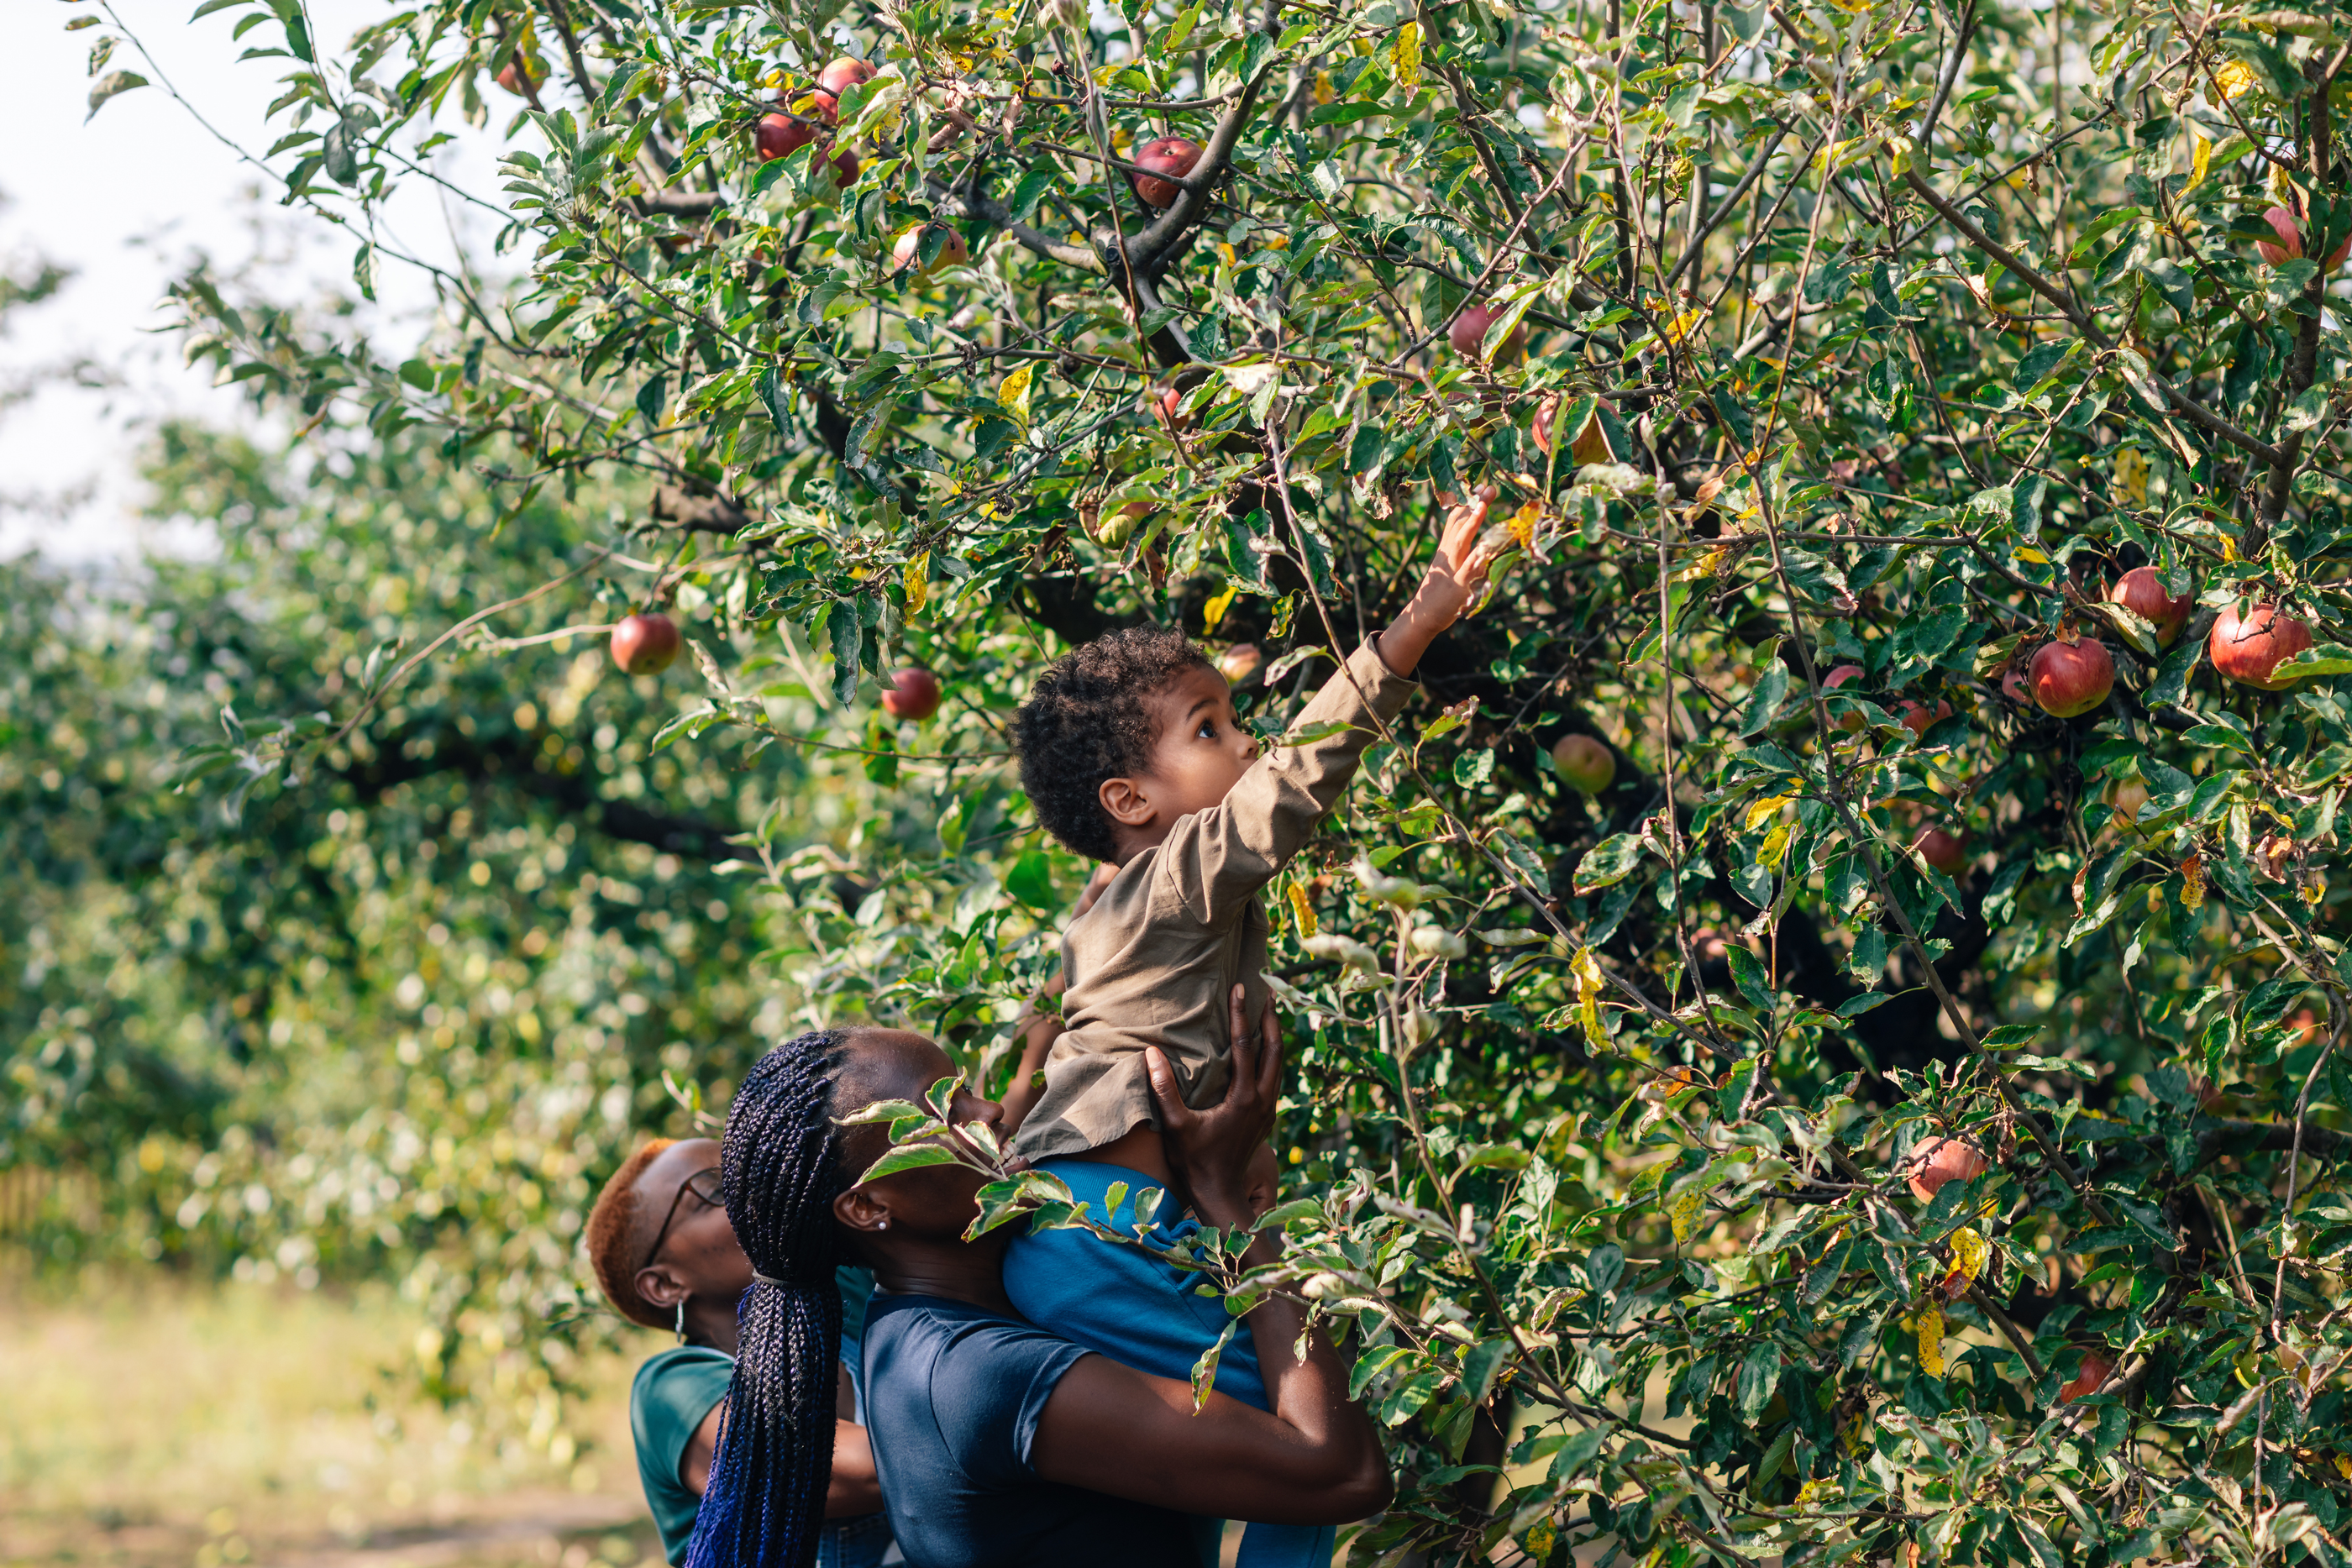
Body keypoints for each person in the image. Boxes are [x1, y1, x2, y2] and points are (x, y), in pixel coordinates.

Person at [999, 488, 1501, 1564]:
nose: (1248, 740)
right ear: (1132, 801)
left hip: (1096, 1231)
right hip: (1113, 1230)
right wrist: (1411, 630)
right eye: (1211, 729)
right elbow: (1290, 788)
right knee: (1355, 1413)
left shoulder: (1102, 908)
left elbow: (1043, 1023)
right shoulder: (1176, 878)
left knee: (1315, 1425)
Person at [680, 988, 1390, 1568]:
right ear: (869, 1206)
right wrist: (1231, 1202)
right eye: (948, 1114)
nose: (991, 1113)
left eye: (970, 1090)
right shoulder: (974, 1375)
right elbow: (1340, 1471)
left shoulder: (920, 1325)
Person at [586, 1137, 891, 1567]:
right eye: (714, 1190)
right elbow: (861, 1472)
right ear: (665, 1285)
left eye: (742, 1168)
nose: (752, 1186)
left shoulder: (842, 1291)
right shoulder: (670, 1391)